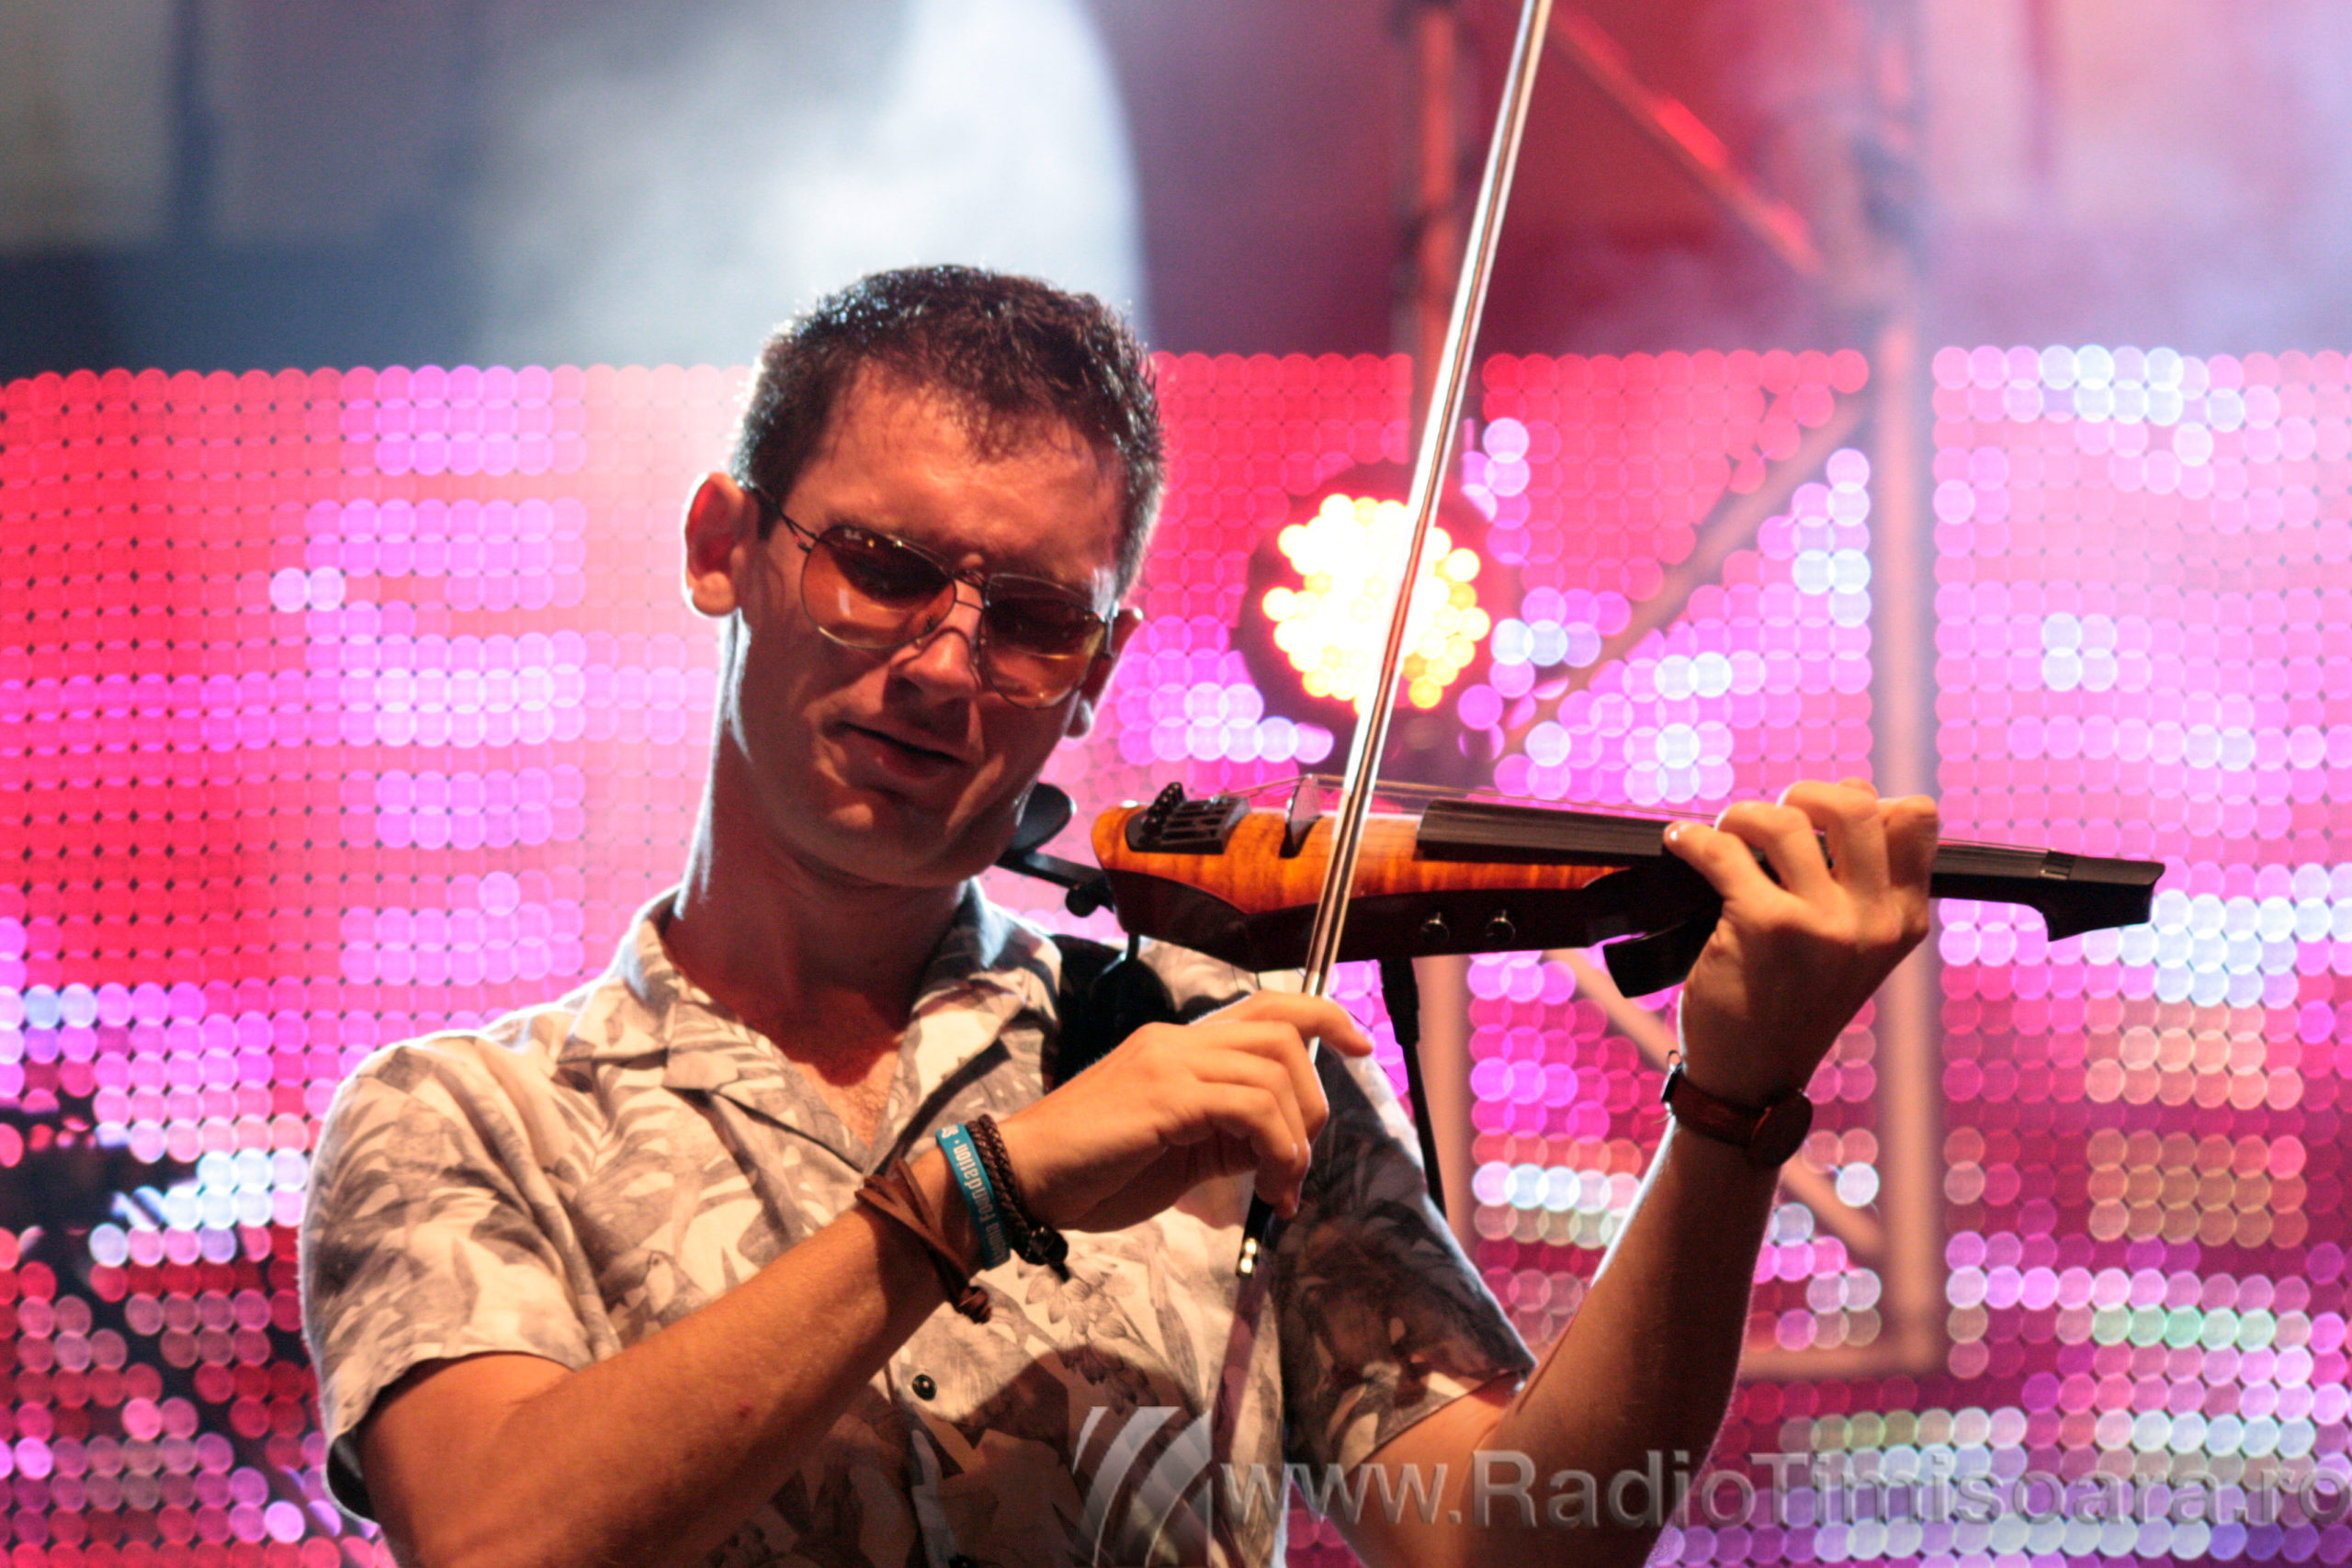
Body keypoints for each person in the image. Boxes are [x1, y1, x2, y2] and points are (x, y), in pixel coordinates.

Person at [300, 265, 1938, 1568]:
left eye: (1028, 617)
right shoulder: (462, 1118)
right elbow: (498, 1536)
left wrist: (1731, 1113)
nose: (945, 664)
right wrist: (984, 1188)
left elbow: (1524, 1544)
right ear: (724, 546)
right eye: (880, 567)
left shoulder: (1224, 1059)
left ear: (1096, 667)